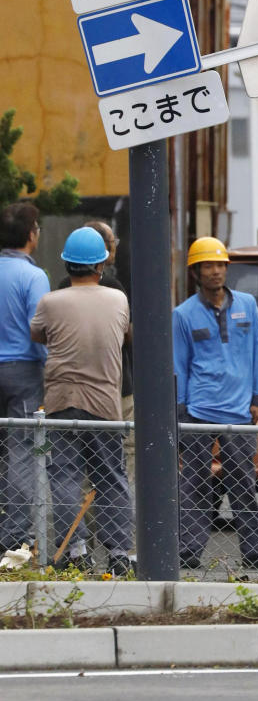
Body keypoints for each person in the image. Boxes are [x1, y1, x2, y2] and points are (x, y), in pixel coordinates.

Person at [172, 237, 258, 572]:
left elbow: (256, 353)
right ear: (196, 271)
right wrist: (180, 411)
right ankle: (187, 550)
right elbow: (178, 365)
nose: (216, 271)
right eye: (208, 265)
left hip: (239, 412)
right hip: (199, 412)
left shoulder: (247, 304)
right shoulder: (183, 314)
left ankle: (256, 551)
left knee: (243, 484)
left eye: (220, 265)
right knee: (193, 483)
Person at [30, 227, 133, 575]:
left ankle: (76, 551)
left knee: (64, 477)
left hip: (61, 400)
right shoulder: (118, 300)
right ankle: (121, 554)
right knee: (111, 477)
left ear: (67, 264)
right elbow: (126, 334)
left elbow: (37, 333)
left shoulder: (50, 302)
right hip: (104, 404)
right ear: (101, 264)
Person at [58, 220, 134, 483]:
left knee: (76, 461)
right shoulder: (114, 289)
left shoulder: (61, 287)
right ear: (101, 251)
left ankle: (84, 522)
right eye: (113, 244)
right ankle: (121, 519)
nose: (116, 250)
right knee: (120, 458)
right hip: (115, 388)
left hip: (72, 390)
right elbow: (128, 335)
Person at [0, 202, 49, 552]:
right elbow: (41, 329)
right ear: (31, 235)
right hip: (24, 371)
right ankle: (14, 539)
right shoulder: (34, 276)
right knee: (21, 453)